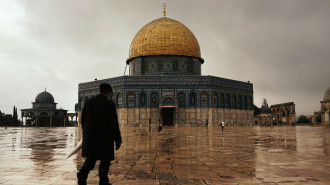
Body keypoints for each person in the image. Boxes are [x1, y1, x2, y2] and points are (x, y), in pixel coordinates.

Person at [77, 83, 122, 185]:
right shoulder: (110, 104)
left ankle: (82, 175)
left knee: (91, 160)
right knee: (105, 161)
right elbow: (114, 124)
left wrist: (87, 132)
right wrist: (118, 139)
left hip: (91, 137)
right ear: (108, 92)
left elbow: (82, 119)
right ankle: (103, 182)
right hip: (105, 138)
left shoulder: (89, 102)